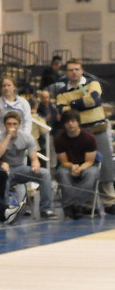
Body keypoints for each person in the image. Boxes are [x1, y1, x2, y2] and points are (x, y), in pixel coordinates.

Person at [48, 58, 113, 211]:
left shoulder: (92, 83)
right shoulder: (62, 92)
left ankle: (110, 201)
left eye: (77, 69)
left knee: (106, 166)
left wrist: (72, 104)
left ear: (82, 70)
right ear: (66, 72)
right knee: (85, 168)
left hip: (99, 129)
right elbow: (64, 112)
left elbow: (95, 100)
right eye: (70, 70)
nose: (74, 72)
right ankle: (88, 203)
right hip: (79, 134)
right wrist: (82, 102)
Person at [0, 111, 55, 218]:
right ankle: (4, 210)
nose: (12, 127)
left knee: (44, 173)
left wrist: (35, 164)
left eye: (15, 124)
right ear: (4, 125)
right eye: (9, 124)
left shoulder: (27, 138)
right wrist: (8, 136)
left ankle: (46, 209)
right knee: (2, 174)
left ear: (19, 125)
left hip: (20, 168)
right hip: (4, 169)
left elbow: (34, 157)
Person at [53, 109, 99, 220]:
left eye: (73, 121)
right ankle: (70, 206)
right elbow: (64, 162)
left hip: (86, 166)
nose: (71, 124)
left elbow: (90, 161)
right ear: (64, 124)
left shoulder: (89, 138)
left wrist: (80, 168)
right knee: (62, 173)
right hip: (68, 166)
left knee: (92, 173)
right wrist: (72, 166)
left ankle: (76, 206)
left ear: (78, 122)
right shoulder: (59, 140)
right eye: (68, 122)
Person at [0, 76, 33, 141]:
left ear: (14, 87)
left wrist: (24, 137)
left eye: (9, 85)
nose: (6, 88)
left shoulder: (23, 102)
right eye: (4, 86)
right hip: (1, 140)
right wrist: (2, 137)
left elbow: (28, 122)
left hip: (21, 139)